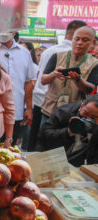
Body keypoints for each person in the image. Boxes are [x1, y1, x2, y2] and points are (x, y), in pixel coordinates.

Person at [28, 20, 86, 151]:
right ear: (75, 33)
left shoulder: (50, 51)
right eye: (80, 37)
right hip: (52, 105)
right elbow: (42, 77)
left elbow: (39, 76)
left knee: (38, 141)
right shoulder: (61, 54)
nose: (81, 43)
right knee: (53, 143)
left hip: (41, 102)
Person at [41, 26, 98, 125]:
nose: (79, 43)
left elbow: (91, 90)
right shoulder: (57, 56)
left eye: (85, 40)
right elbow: (43, 80)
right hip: (50, 110)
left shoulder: (94, 63)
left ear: (93, 43)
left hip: (75, 113)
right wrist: (54, 74)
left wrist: (78, 80)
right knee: (45, 138)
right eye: (77, 39)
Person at [0, 32, 36, 147]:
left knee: (10, 147)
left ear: (14, 31)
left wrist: (28, 108)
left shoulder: (24, 53)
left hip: (16, 110)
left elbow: (28, 82)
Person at [38, 94, 98, 166]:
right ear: (81, 107)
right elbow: (44, 135)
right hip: (52, 158)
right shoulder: (65, 112)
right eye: (86, 113)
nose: (87, 119)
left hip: (77, 163)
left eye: (93, 117)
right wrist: (69, 132)